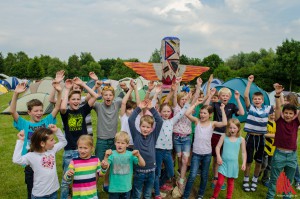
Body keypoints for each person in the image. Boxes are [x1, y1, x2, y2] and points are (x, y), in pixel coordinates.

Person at [10, 80, 62, 199]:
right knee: (32, 191)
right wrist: (16, 94)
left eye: (41, 110)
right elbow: (13, 111)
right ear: (29, 112)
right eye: (36, 111)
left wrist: (59, 91)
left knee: (45, 188)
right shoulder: (24, 124)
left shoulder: (47, 121)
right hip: (30, 164)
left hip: (44, 162)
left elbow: (57, 107)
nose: (39, 113)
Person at [60, 77, 99, 199]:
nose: (76, 101)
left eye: (78, 99)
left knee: (82, 178)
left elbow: (95, 96)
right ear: (69, 101)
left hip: (83, 150)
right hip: (70, 151)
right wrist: (66, 89)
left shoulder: (83, 110)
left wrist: (83, 84)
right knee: (66, 181)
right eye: (73, 99)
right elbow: (62, 108)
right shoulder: (65, 113)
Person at [182, 97, 227, 199]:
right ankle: (185, 195)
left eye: (205, 113)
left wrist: (223, 110)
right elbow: (187, 114)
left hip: (207, 154)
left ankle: (200, 195)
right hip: (196, 154)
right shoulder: (197, 121)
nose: (202, 115)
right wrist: (196, 103)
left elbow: (224, 123)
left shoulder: (212, 124)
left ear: (210, 115)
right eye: (201, 112)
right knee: (192, 175)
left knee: (204, 175)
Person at [204, 85, 244, 190]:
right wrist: (211, 95)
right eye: (223, 95)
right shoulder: (216, 104)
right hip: (216, 133)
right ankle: (216, 178)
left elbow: (242, 113)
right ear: (219, 96)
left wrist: (238, 99)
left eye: (227, 95)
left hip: (228, 135)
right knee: (216, 157)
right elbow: (205, 107)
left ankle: (224, 178)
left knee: (225, 157)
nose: (225, 97)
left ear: (229, 97)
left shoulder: (232, 105)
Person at [13, 125, 67, 199]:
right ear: (42, 143)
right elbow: (16, 160)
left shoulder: (52, 150)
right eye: (51, 140)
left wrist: (57, 131)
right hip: (40, 196)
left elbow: (64, 142)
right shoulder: (31, 156)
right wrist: (21, 141)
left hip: (53, 192)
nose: (54, 141)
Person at [266, 84, 300, 199]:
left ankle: (287, 196)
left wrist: (294, 104)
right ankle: (270, 196)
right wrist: (277, 94)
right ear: (282, 113)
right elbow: (279, 107)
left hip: (292, 156)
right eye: (286, 113)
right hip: (279, 154)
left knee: (288, 180)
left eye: (291, 113)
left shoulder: (296, 123)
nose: (288, 115)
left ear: (295, 115)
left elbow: (297, 110)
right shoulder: (279, 120)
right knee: (274, 179)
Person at [154, 96, 190, 199]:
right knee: (157, 172)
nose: (166, 113)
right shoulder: (157, 121)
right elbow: (153, 109)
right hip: (158, 151)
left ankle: (159, 184)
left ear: (171, 112)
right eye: (164, 111)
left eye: (168, 111)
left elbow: (181, 113)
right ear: (160, 112)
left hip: (168, 152)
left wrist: (187, 102)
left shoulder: (171, 121)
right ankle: (157, 192)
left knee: (170, 172)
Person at [243, 75, 274, 192]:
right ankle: (246, 179)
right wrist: (249, 83)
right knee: (248, 161)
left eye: (259, 99)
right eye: (255, 99)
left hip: (261, 138)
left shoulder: (267, 108)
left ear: (262, 100)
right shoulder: (250, 108)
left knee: (259, 162)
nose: (257, 100)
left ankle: (255, 180)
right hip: (250, 137)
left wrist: (278, 93)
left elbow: (280, 107)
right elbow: (246, 96)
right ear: (253, 100)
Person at [128, 99, 163, 199]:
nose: (145, 129)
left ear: (151, 128)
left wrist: (151, 108)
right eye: (143, 126)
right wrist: (139, 108)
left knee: (147, 194)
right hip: (139, 171)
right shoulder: (136, 135)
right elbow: (131, 120)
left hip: (151, 171)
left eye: (148, 127)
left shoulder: (153, 136)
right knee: (137, 194)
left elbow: (159, 121)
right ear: (139, 126)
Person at [172, 77, 203, 192]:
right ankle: (180, 176)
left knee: (185, 160)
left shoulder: (189, 108)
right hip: (176, 138)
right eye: (182, 99)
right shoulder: (175, 108)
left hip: (186, 139)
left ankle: (181, 181)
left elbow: (195, 98)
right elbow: (175, 96)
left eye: (186, 99)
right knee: (179, 159)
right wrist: (178, 83)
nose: (184, 101)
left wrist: (198, 86)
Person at [210, 118, 246, 199]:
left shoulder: (241, 139)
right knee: (219, 182)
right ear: (227, 128)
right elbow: (218, 147)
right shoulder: (224, 136)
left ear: (238, 128)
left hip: (233, 165)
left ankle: (228, 197)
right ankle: (214, 196)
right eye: (230, 128)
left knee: (230, 182)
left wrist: (244, 163)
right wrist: (218, 157)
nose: (232, 130)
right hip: (223, 163)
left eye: (234, 128)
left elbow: (243, 152)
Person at [102, 132, 146, 199]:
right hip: (114, 189)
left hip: (126, 188)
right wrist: (106, 156)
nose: (120, 145)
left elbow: (143, 164)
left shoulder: (131, 154)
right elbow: (105, 167)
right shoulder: (112, 154)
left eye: (123, 143)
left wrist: (139, 155)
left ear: (127, 144)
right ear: (115, 143)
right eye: (118, 142)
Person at [64, 135, 107, 199]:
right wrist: (68, 175)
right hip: (78, 196)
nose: (82, 150)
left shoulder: (96, 160)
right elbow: (66, 178)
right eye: (80, 147)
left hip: (92, 196)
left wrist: (103, 168)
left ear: (92, 148)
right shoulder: (74, 162)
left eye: (85, 148)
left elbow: (101, 174)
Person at [120, 80, 140, 150]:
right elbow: (123, 103)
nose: (132, 111)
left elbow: (139, 104)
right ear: (125, 110)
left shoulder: (138, 116)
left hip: (136, 144)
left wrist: (136, 89)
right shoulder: (124, 116)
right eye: (129, 109)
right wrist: (131, 89)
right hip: (124, 145)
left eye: (134, 109)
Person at [260, 111, 276, 187]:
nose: (273, 114)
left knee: (269, 166)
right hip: (265, 147)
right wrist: (274, 135)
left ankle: (265, 179)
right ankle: (257, 175)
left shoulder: (278, 123)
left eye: (274, 112)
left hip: (274, 148)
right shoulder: (265, 122)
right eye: (271, 112)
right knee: (264, 164)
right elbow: (263, 134)